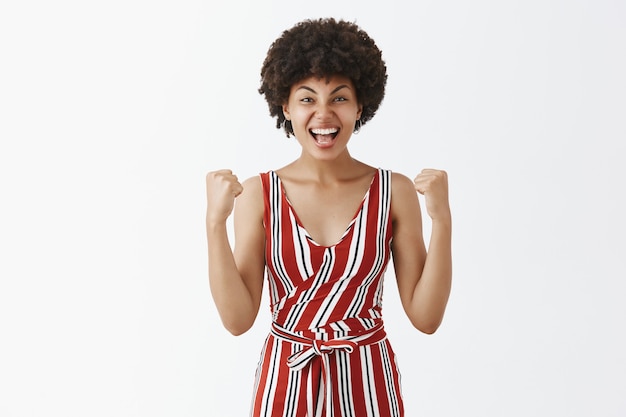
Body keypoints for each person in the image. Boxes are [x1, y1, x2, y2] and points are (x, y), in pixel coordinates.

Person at [206, 17, 452, 417]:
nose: (323, 114)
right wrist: (214, 224)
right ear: (285, 105)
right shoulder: (259, 195)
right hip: (285, 386)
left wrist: (442, 221)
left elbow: (426, 318)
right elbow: (237, 321)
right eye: (307, 99)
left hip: (369, 385)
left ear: (360, 106)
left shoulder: (395, 192)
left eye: (339, 98)